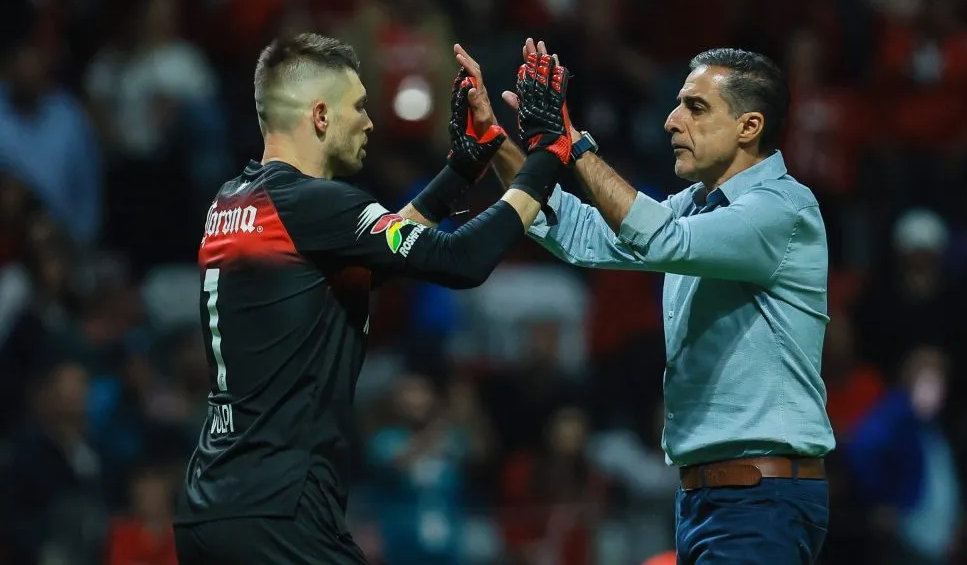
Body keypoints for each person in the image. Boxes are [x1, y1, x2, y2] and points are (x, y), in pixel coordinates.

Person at [171, 33, 567, 564]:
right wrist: (546, 157)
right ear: (319, 115)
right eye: (358, 106)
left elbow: (376, 252)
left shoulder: (234, 202)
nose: (370, 121)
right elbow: (460, 260)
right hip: (281, 511)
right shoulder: (313, 205)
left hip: (212, 505)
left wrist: (463, 169)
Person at [455, 39, 834, 563]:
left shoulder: (781, 211)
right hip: (709, 498)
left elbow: (655, 237)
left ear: (750, 126)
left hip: (759, 498)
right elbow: (584, 234)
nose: (672, 121)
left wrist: (574, 145)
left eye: (696, 108)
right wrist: (496, 140)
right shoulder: (698, 208)